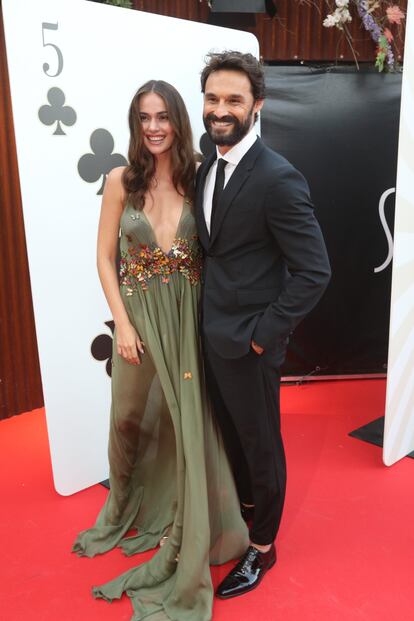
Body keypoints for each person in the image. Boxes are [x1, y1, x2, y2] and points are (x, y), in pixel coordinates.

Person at [73, 79, 248, 621]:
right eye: (144, 117)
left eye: (162, 116)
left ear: (177, 120)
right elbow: (105, 258)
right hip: (140, 315)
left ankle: (189, 516)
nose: (153, 127)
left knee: (186, 422)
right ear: (135, 123)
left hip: (189, 315)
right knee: (129, 418)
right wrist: (122, 324)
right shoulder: (121, 180)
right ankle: (127, 504)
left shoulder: (202, 177)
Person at [195, 51, 331, 599]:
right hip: (209, 336)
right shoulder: (210, 161)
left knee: (261, 446)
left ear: (258, 106)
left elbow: (314, 271)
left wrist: (262, 333)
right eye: (212, 99)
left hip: (249, 344)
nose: (220, 110)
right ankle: (241, 519)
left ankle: (263, 548)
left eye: (233, 100)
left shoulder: (278, 178)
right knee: (230, 438)